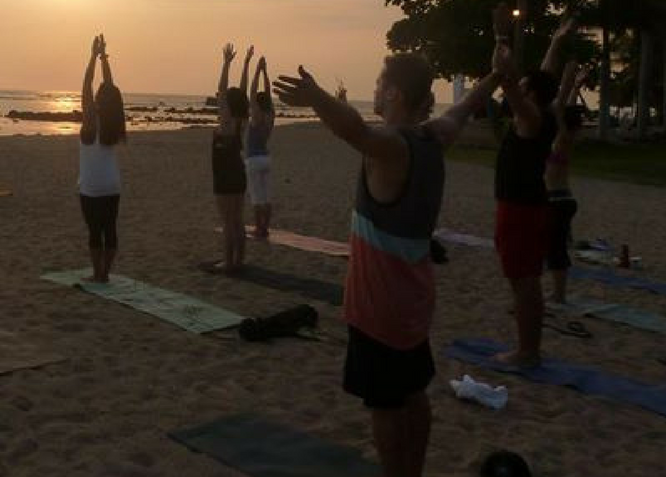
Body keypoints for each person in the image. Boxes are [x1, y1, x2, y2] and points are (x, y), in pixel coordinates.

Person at [274, 52, 502, 477]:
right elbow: (467, 105)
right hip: (414, 306)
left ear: (394, 92)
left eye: (379, 84)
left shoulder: (393, 148)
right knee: (413, 395)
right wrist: (497, 74)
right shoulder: (436, 137)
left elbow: (354, 130)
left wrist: (315, 96)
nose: (374, 91)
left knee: (384, 406)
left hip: (380, 309)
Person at [492, 8, 565, 368]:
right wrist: (555, 41)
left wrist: (501, 38)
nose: (518, 89)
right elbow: (545, 76)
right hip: (527, 205)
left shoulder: (532, 117)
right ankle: (529, 349)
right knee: (527, 279)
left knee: (523, 281)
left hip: (520, 208)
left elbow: (506, 80)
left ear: (531, 94)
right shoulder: (545, 110)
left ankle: (527, 351)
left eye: (524, 88)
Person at [78, 34, 126, 283]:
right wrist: (104, 57)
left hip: (90, 187)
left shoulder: (90, 119)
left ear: (98, 99)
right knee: (110, 230)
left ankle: (97, 274)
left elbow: (87, 84)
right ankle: (105, 274)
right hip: (111, 186)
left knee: (95, 232)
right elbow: (109, 87)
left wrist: (93, 57)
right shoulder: (113, 121)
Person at [545, 58, 588, 304]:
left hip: (558, 201)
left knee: (557, 251)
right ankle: (557, 291)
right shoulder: (567, 138)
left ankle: (558, 294)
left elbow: (559, 108)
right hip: (562, 199)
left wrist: (568, 76)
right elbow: (565, 108)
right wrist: (576, 85)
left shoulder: (561, 140)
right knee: (555, 247)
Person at [209, 43, 252, 272]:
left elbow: (222, 88)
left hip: (225, 176)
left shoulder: (226, 122)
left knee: (228, 222)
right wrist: (244, 64)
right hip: (238, 173)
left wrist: (226, 64)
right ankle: (240, 260)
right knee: (238, 220)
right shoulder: (241, 122)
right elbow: (241, 94)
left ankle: (229, 262)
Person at [244, 56, 275, 238]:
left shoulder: (256, 116)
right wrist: (265, 72)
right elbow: (267, 93)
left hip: (254, 160)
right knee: (266, 196)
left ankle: (259, 228)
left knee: (256, 197)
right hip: (266, 158)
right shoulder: (270, 115)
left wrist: (256, 70)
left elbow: (252, 91)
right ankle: (266, 227)